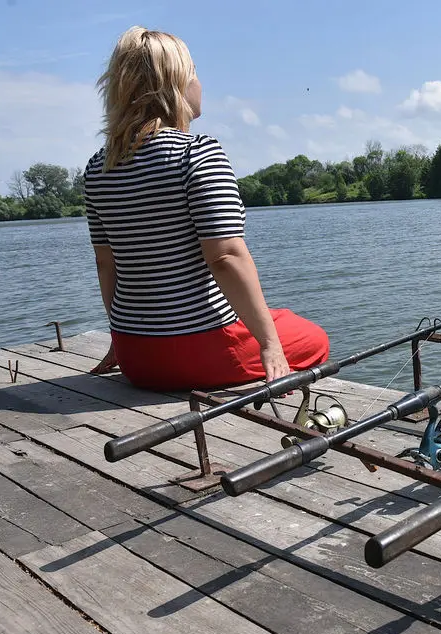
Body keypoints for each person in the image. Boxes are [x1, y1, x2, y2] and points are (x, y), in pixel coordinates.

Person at [82, 26, 329, 391]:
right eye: (194, 72)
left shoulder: (98, 168)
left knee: (281, 318)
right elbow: (226, 256)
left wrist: (121, 341)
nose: (200, 83)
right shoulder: (196, 154)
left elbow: (107, 264)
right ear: (175, 83)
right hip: (198, 352)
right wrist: (269, 344)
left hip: (136, 357)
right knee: (312, 338)